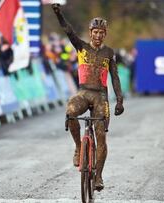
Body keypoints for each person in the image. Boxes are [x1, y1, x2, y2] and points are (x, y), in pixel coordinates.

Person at [52, 4, 124, 191]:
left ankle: (98, 176)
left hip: (101, 96)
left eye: (102, 32)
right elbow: (68, 31)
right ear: (90, 32)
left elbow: (115, 77)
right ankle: (78, 146)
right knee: (70, 111)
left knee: (101, 136)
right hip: (84, 92)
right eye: (95, 32)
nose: (98, 35)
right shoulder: (81, 47)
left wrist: (120, 100)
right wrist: (59, 14)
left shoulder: (109, 53)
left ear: (105, 34)